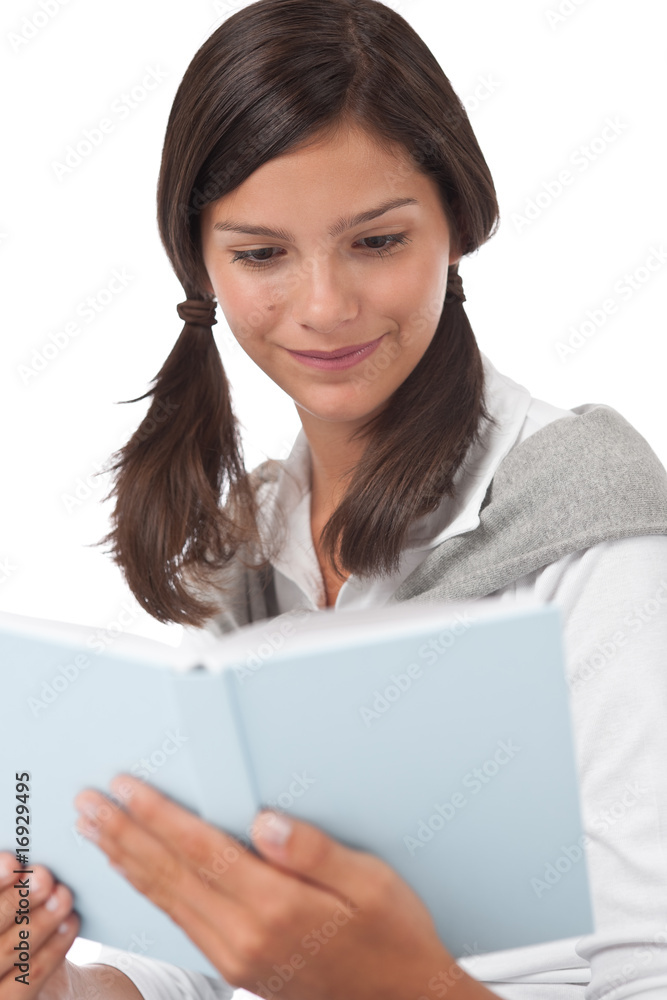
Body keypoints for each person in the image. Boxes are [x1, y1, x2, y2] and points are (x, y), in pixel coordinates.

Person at [5, 0, 666, 997]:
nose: (323, 306)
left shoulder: (592, 524)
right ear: (204, 266)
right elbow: (197, 967)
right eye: (261, 254)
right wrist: (44, 978)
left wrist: (404, 983)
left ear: (454, 226)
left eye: (375, 241)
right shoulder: (252, 544)